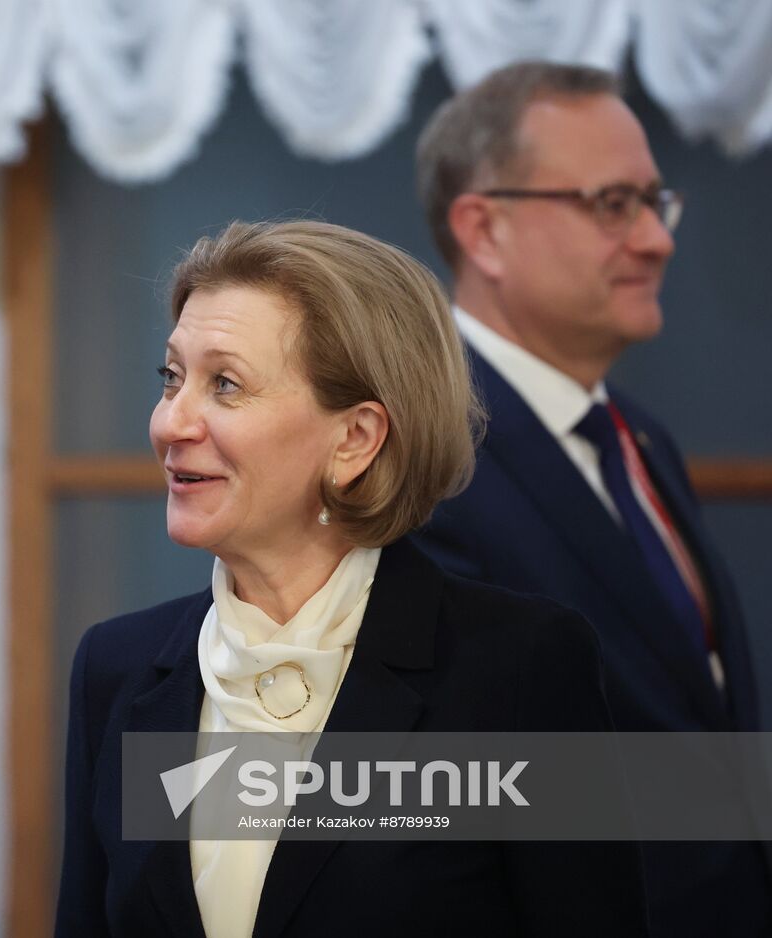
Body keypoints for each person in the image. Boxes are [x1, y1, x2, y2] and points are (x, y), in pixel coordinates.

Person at [55, 220, 648, 937]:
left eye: (226, 384)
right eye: (172, 377)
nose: (171, 422)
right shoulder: (113, 670)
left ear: (356, 439)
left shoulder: (517, 668)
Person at [412, 62, 771, 935]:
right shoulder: (421, 459)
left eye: (656, 202)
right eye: (614, 203)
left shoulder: (639, 438)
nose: (657, 240)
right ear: (484, 229)